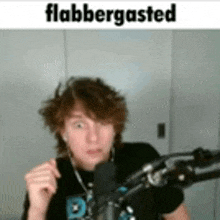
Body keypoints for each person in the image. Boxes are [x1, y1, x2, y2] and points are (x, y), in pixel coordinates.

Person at [22, 76, 190, 220]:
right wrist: (37, 211)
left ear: (115, 127)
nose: (93, 137)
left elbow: (177, 216)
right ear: (63, 132)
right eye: (79, 125)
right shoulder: (50, 180)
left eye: (102, 122)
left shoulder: (143, 158)